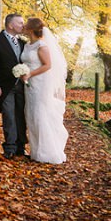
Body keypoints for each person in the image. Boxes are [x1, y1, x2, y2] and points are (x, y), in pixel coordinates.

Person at [20, 18, 68, 164]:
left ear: (31, 29)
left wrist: (30, 74)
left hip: (40, 83)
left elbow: (47, 65)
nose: (23, 27)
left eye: (26, 25)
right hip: (29, 84)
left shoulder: (42, 46)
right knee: (31, 115)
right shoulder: (28, 44)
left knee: (40, 115)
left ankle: (48, 152)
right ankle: (36, 151)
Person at [0, 14, 27, 159]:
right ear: (10, 25)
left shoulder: (23, 43)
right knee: (9, 116)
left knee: (21, 116)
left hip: (22, 86)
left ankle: (21, 147)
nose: (23, 25)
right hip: (5, 86)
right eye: (20, 23)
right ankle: (10, 148)